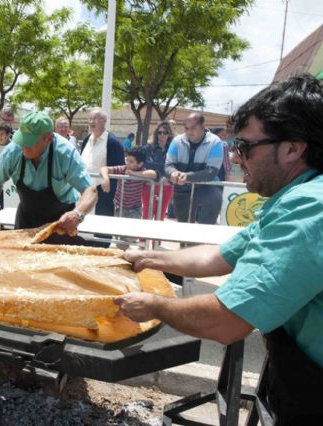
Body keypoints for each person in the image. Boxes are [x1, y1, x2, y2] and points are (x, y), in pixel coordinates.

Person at [116, 75, 323, 424]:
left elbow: (226, 321)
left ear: (292, 148)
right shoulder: (294, 198)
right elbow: (218, 256)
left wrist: (154, 306)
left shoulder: (309, 209)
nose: (235, 158)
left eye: (245, 147)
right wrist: (147, 258)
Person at [0, 111, 97, 232]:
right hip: (26, 219)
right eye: (22, 139)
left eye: (30, 142)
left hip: (60, 223)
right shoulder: (14, 150)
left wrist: (78, 214)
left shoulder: (66, 153)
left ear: (49, 138)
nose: (24, 145)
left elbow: (90, 190)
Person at [165, 113, 223, 224]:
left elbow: (211, 172)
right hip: (181, 189)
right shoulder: (177, 141)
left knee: (215, 200)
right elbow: (168, 165)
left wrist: (187, 176)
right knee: (184, 229)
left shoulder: (216, 142)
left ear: (203, 126)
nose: (189, 132)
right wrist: (172, 173)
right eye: (186, 128)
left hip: (206, 187)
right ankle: (186, 241)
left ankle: (204, 235)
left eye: (193, 128)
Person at [100, 147, 156, 249]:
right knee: (121, 234)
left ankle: (122, 246)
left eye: (131, 161)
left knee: (133, 233)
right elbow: (104, 168)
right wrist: (105, 178)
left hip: (135, 208)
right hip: (120, 207)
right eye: (127, 160)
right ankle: (122, 252)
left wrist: (134, 174)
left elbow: (153, 174)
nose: (127, 163)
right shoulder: (123, 169)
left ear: (140, 164)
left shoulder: (142, 171)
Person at [81, 108, 125, 216]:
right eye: (90, 119)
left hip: (104, 194)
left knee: (102, 228)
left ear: (104, 121)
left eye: (95, 118)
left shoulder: (112, 142)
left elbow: (119, 169)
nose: (91, 122)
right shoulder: (87, 139)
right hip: (85, 191)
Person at [142, 121, 175, 220]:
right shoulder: (148, 147)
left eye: (165, 132)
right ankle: (143, 236)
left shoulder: (173, 149)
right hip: (149, 186)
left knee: (160, 217)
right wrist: (164, 168)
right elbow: (146, 163)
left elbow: (174, 166)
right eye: (159, 132)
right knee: (147, 216)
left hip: (167, 187)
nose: (162, 135)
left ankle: (155, 236)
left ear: (169, 134)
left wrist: (156, 168)